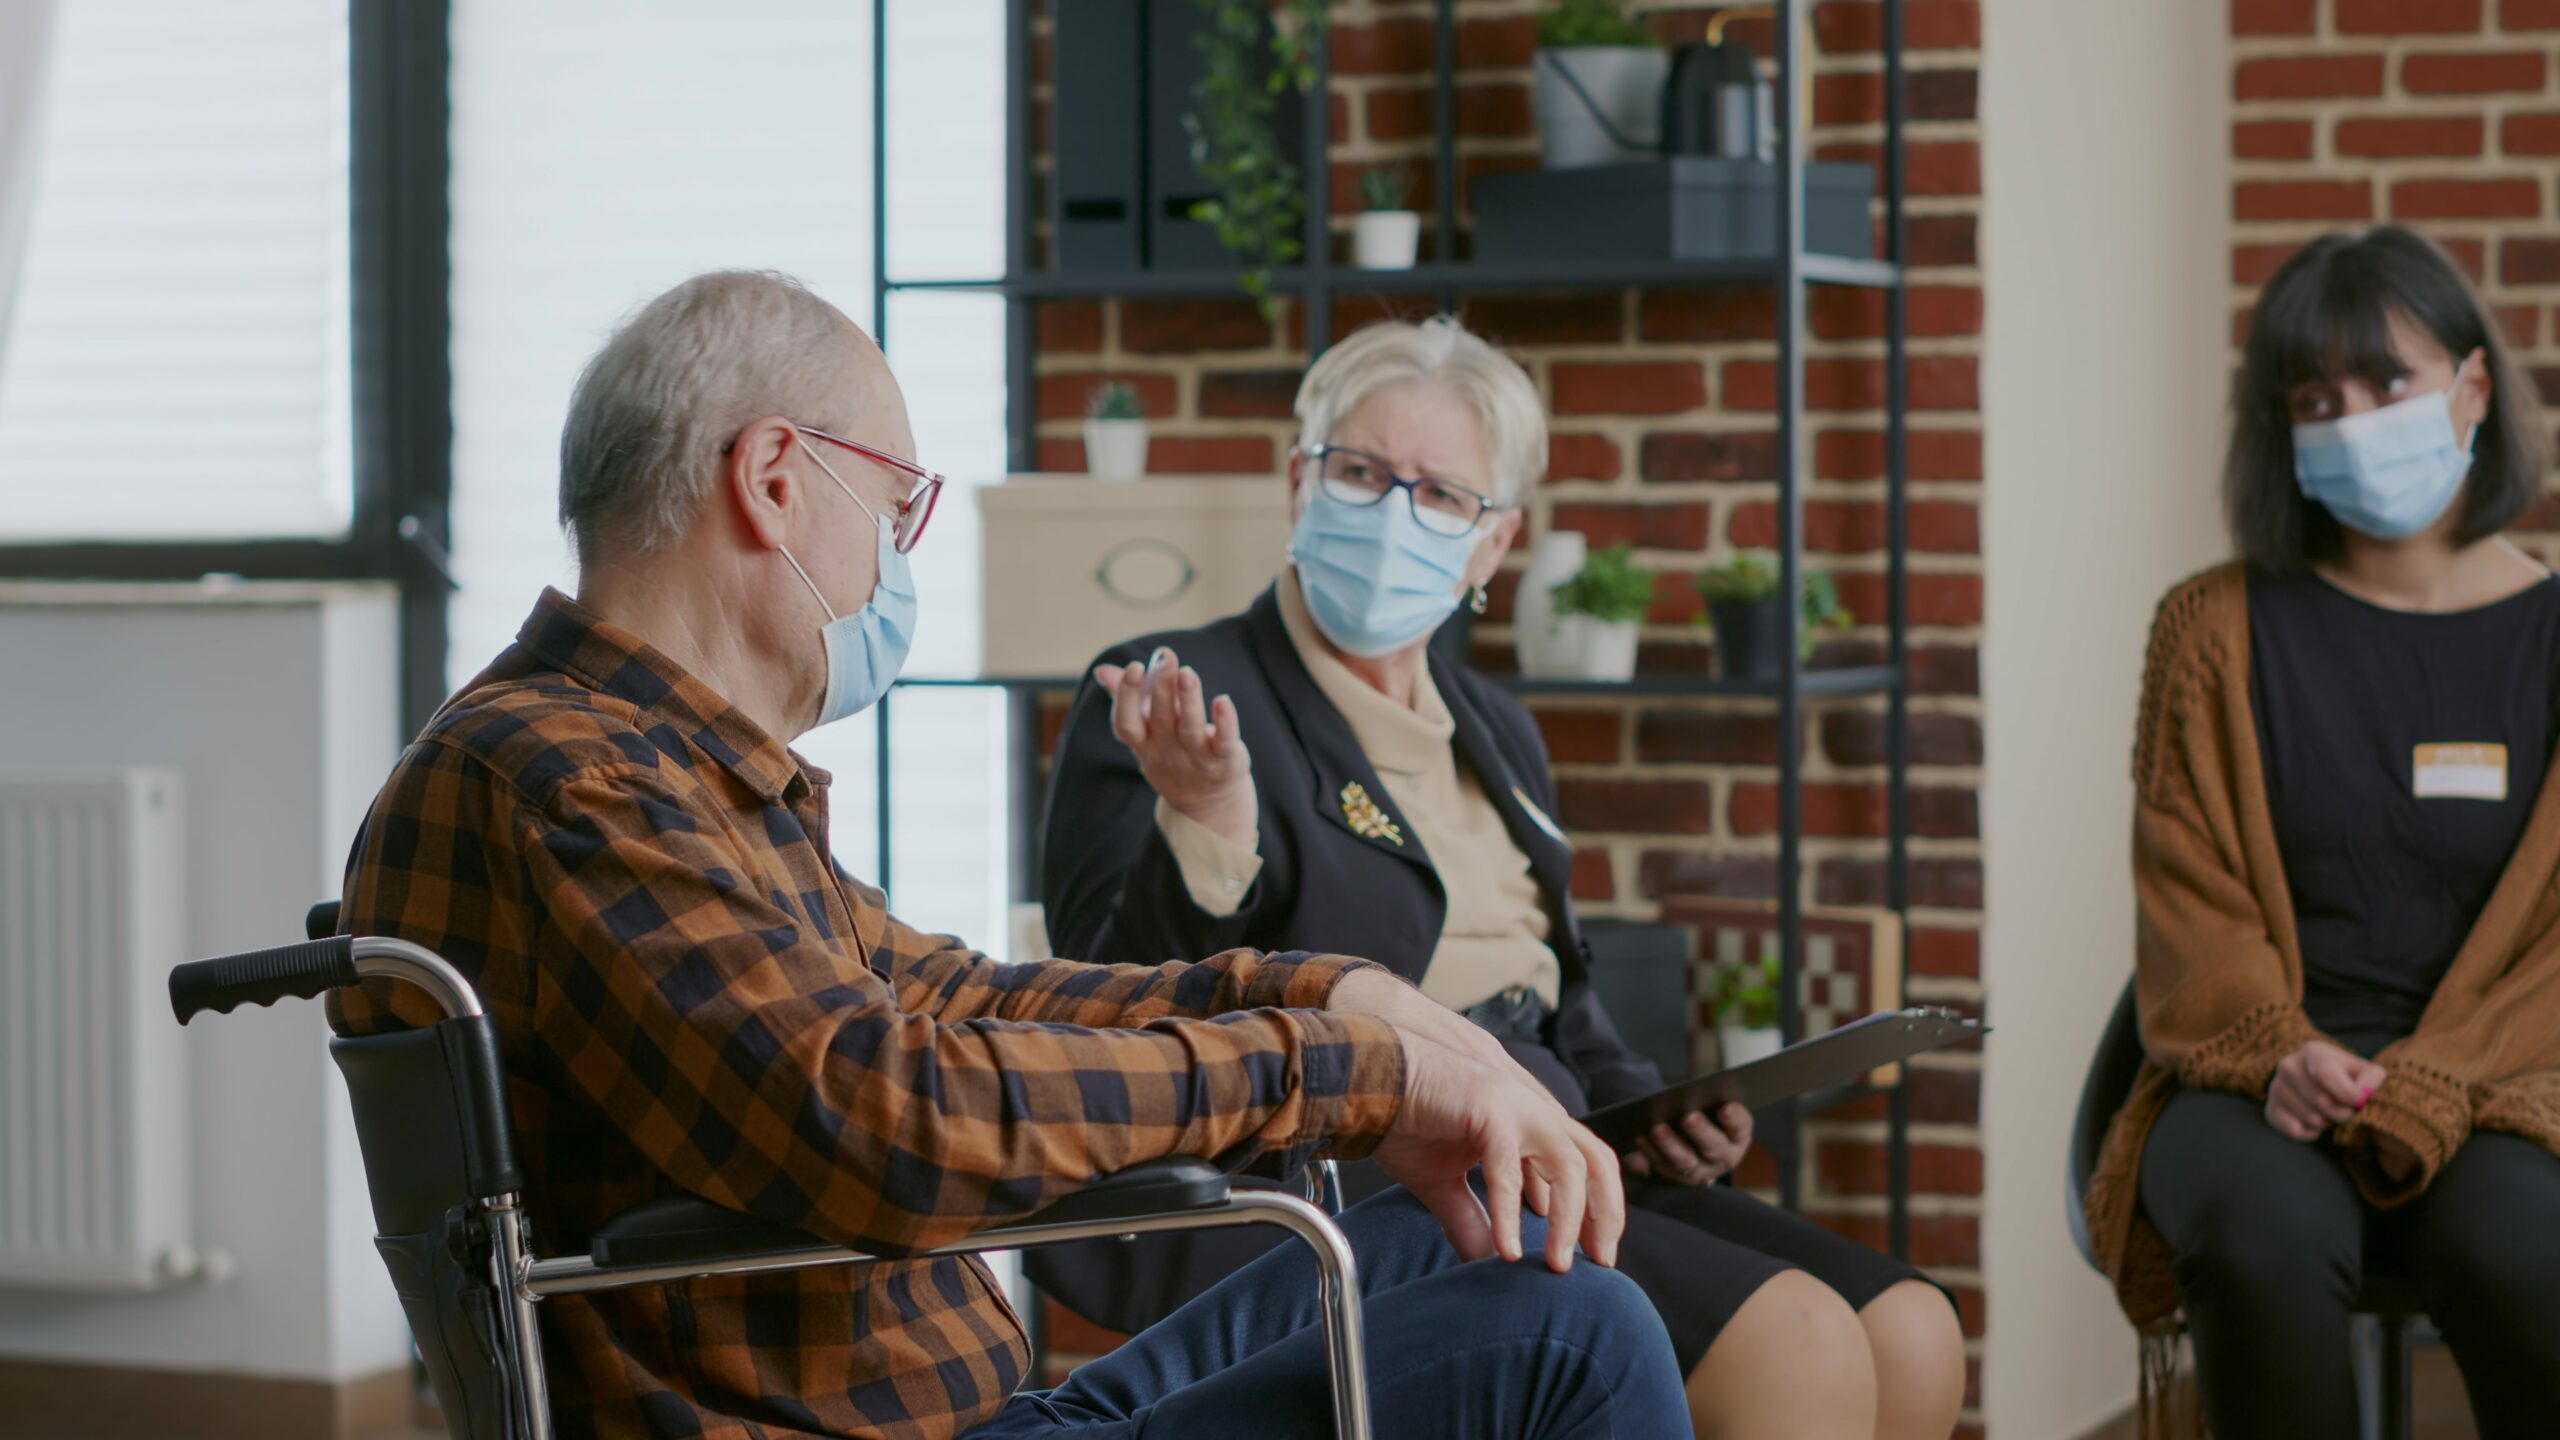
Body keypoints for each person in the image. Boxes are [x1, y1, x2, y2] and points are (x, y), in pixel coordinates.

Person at [326, 272, 1692, 1440]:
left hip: (989, 1410)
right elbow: (885, 1113)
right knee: (1579, 1336)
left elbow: (955, 994)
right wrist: (1341, 1072)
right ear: (776, 481)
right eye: (896, 508)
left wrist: (1332, 993)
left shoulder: (668, 772)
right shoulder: (574, 782)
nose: (897, 562)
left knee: (1427, 1240)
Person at [1033, 317, 1965, 1440]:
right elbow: (1110, 1012)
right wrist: (1205, 819)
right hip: (1374, 1169)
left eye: (1439, 494)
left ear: (1492, 546)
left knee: (1912, 1329)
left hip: (1552, 1138)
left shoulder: (1495, 728)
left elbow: (1556, 999)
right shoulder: (1176, 696)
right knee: (1795, 1343)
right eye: (1360, 472)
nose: (1392, 514)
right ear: (1299, 483)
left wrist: (1661, 1113)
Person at [2083, 226, 2560, 1438]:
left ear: (2471, 388)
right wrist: (2279, 1051)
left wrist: (2440, 1078)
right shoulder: (2208, 631)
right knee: (2259, 1239)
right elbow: (2187, 906)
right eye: (2314, 401)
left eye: (2387, 383)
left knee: (2527, 1251)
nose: (2352, 423)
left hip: (2509, 1079)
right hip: (2262, 1081)